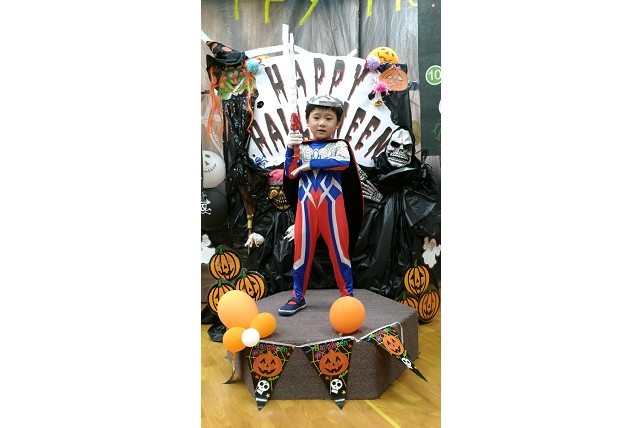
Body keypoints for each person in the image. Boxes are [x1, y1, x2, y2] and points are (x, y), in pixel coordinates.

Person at [278, 95, 363, 316]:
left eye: (328, 118)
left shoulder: (340, 145)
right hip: (306, 210)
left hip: (333, 209)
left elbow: (343, 162)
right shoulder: (301, 146)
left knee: (340, 252)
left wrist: (310, 164)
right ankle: (297, 296)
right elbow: (290, 173)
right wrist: (290, 149)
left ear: (337, 123)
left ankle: (347, 296)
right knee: (301, 254)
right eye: (316, 117)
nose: (322, 123)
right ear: (307, 121)